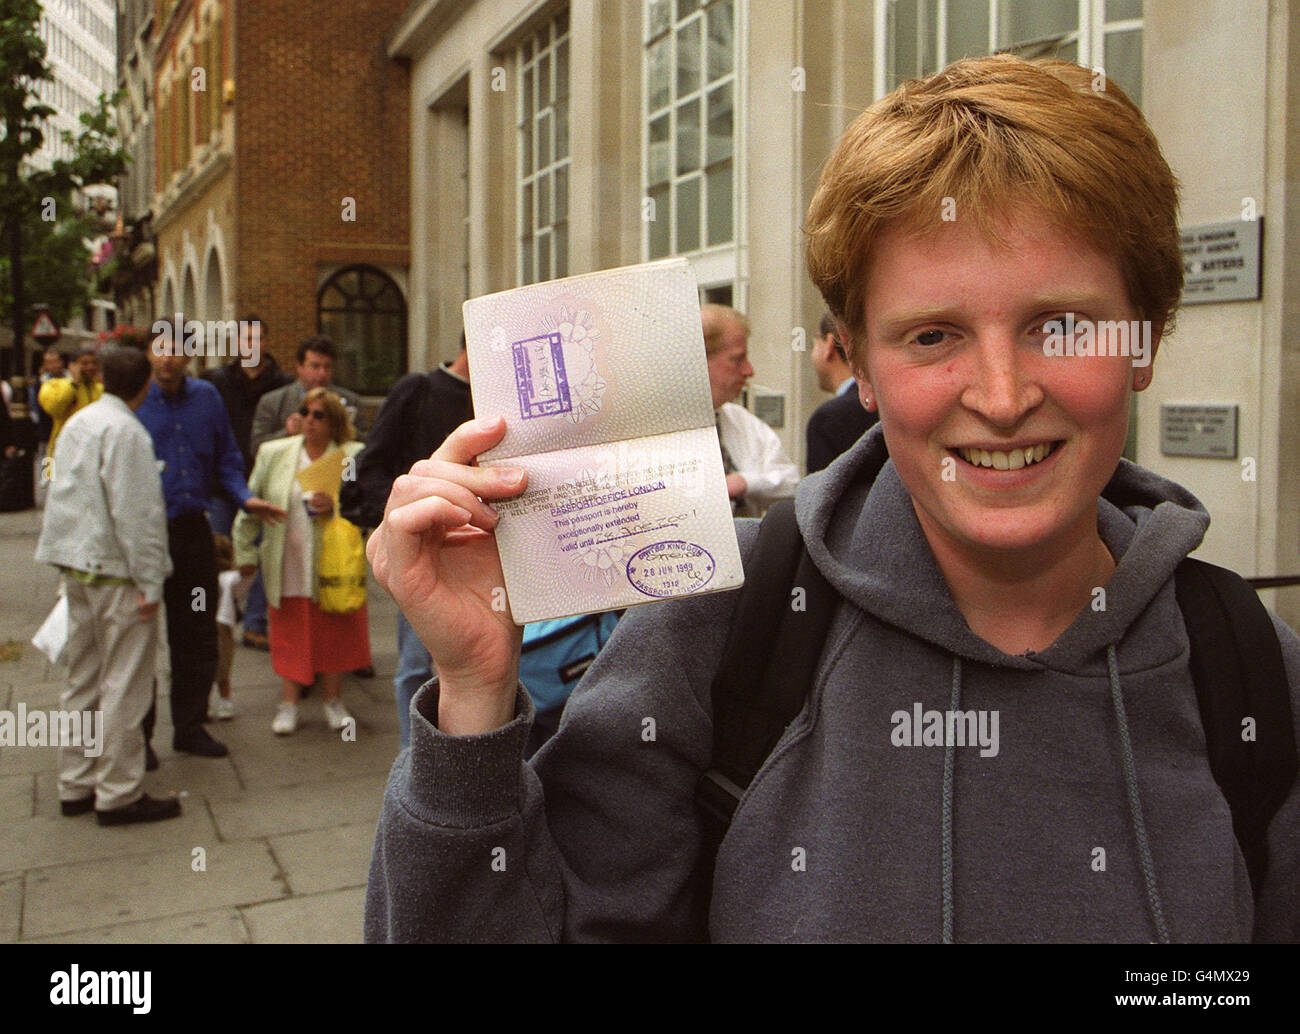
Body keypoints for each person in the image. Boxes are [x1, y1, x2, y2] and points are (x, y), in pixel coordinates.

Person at [362, 56, 1300, 942]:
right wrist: (478, 698)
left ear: (1143, 345)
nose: (1005, 396)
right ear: (857, 364)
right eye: (933, 336)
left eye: (1061, 326)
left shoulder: (1254, 675)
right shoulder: (720, 632)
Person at [34, 347, 180, 825]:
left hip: (76, 568)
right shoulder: (127, 432)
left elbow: (62, 497)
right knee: (125, 685)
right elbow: (136, 515)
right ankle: (118, 792)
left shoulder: (80, 421)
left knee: (82, 679)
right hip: (118, 574)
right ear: (143, 385)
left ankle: (74, 783)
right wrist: (151, 583)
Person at [137, 332, 286, 758]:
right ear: (149, 353)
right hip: (147, 538)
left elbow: (226, 458)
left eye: (177, 350)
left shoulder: (206, 397)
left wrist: (245, 497)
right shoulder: (135, 399)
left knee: (199, 629)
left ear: (190, 355)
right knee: (141, 638)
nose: (169, 359)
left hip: (193, 536)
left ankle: (190, 727)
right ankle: (139, 736)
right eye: (160, 349)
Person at [343, 341, 471, 746]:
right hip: (425, 552)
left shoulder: (498, 398)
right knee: (416, 665)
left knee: (477, 665)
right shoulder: (419, 390)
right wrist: (405, 520)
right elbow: (372, 465)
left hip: (484, 549)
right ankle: (412, 760)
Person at [234, 387, 369, 736]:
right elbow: (252, 503)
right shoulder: (275, 452)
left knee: (334, 631)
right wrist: (245, 551)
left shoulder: (352, 456)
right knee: (289, 631)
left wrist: (335, 506)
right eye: (305, 412)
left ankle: (333, 702)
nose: (309, 420)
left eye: (319, 415)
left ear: (334, 422)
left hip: (333, 561)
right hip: (287, 558)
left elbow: (366, 507)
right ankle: (289, 704)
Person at [704, 304, 798, 517]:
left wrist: (746, 482)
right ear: (699, 360)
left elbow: (792, 484)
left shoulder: (743, 422)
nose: (749, 371)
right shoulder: (653, 434)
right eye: (737, 359)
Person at [200, 316, 292, 531]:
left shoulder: (284, 385)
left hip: (266, 481)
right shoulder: (218, 381)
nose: (253, 345)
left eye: (258, 339)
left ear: (266, 342)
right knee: (220, 549)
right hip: (221, 484)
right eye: (247, 339)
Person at [250, 334, 366, 456]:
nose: (322, 373)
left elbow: (366, 448)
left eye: (327, 367)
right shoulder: (272, 402)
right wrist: (287, 433)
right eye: (315, 366)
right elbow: (256, 448)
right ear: (299, 366)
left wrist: (344, 427)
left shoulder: (351, 402)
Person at [805, 311, 878, 474]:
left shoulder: (826, 419)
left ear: (829, 344)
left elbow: (820, 497)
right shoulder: (889, 403)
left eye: (814, 342)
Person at [39, 346, 102, 457]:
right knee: (47, 474)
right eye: (85, 363)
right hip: (57, 451)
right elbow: (54, 409)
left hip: (89, 452)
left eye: (94, 363)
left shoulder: (101, 389)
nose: (91, 367)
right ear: (72, 366)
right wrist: (74, 384)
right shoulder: (53, 385)